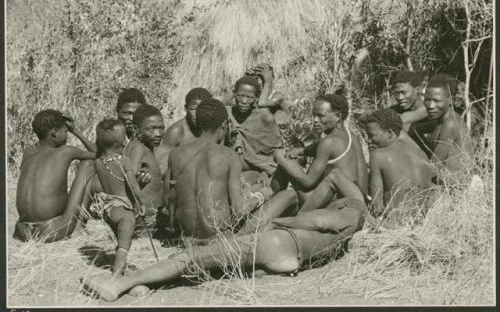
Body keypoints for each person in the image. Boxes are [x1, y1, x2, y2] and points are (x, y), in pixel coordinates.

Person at [81, 170, 366, 302]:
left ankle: (119, 284)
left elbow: (317, 220)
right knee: (211, 266)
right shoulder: (350, 233)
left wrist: (276, 222)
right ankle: (146, 285)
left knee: (192, 256)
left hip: (279, 243)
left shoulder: (351, 210)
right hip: (291, 261)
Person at [166, 98, 296, 239]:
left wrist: (172, 226)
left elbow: (169, 198)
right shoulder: (228, 155)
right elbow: (239, 211)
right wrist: (261, 195)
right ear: (223, 126)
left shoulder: (176, 153)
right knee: (289, 195)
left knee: (249, 179)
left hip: (188, 235)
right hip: (221, 237)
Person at [273, 94, 368, 212]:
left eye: (320, 116)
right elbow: (322, 146)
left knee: (284, 163)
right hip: (357, 199)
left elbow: (308, 182)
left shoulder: (328, 142)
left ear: (338, 116)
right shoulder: (351, 136)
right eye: (313, 115)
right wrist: (302, 151)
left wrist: (282, 159)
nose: (315, 120)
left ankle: (271, 196)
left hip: (331, 203)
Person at [14, 110, 96, 242]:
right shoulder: (65, 152)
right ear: (54, 132)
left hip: (22, 231)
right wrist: (76, 131)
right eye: (65, 132)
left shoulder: (28, 152)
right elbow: (102, 155)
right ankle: (79, 227)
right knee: (89, 164)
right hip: (52, 230)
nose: (67, 135)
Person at [94, 119, 147, 278]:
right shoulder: (124, 161)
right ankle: (116, 274)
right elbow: (132, 185)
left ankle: (122, 267)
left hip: (107, 208)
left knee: (121, 240)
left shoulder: (98, 162)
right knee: (124, 244)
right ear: (122, 141)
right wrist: (141, 202)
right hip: (123, 211)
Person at [364, 109, 432, 217]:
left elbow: (377, 206)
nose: (368, 140)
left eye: (371, 135)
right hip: (424, 217)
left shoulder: (378, 156)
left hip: (396, 220)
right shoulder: (420, 154)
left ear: (390, 133)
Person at [225, 75, 284, 191]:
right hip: (240, 162)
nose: (244, 101)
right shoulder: (230, 112)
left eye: (249, 97)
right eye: (240, 95)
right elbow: (218, 104)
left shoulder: (264, 116)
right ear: (234, 94)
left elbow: (275, 149)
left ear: (256, 99)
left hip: (263, 163)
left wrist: (268, 81)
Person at [423, 76, 473, 183]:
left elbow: (433, 166)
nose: (431, 105)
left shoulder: (451, 124)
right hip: (446, 180)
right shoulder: (439, 121)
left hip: (455, 186)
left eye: (437, 101)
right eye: (427, 100)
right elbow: (412, 129)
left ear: (451, 100)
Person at [123, 104, 165, 218]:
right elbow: (129, 178)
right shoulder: (138, 148)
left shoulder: (141, 147)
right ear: (136, 129)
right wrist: (138, 182)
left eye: (161, 128)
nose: (158, 134)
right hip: (145, 218)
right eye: (151, 129)